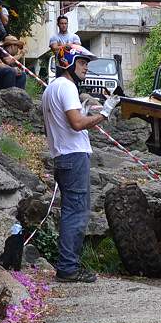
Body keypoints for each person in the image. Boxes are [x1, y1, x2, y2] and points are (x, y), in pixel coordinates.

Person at [41, 44, 119, 283]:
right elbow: (75, 123)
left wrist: (85, 110)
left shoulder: (51, 89)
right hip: (73, 157)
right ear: (70, 63)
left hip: (62, 156)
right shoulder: (66, 87)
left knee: (71, 212)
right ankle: (68, 268)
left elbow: (64, 122)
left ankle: (68, 265)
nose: (86, 67)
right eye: (82, 63)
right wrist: (104, 114)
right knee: (76, 214)